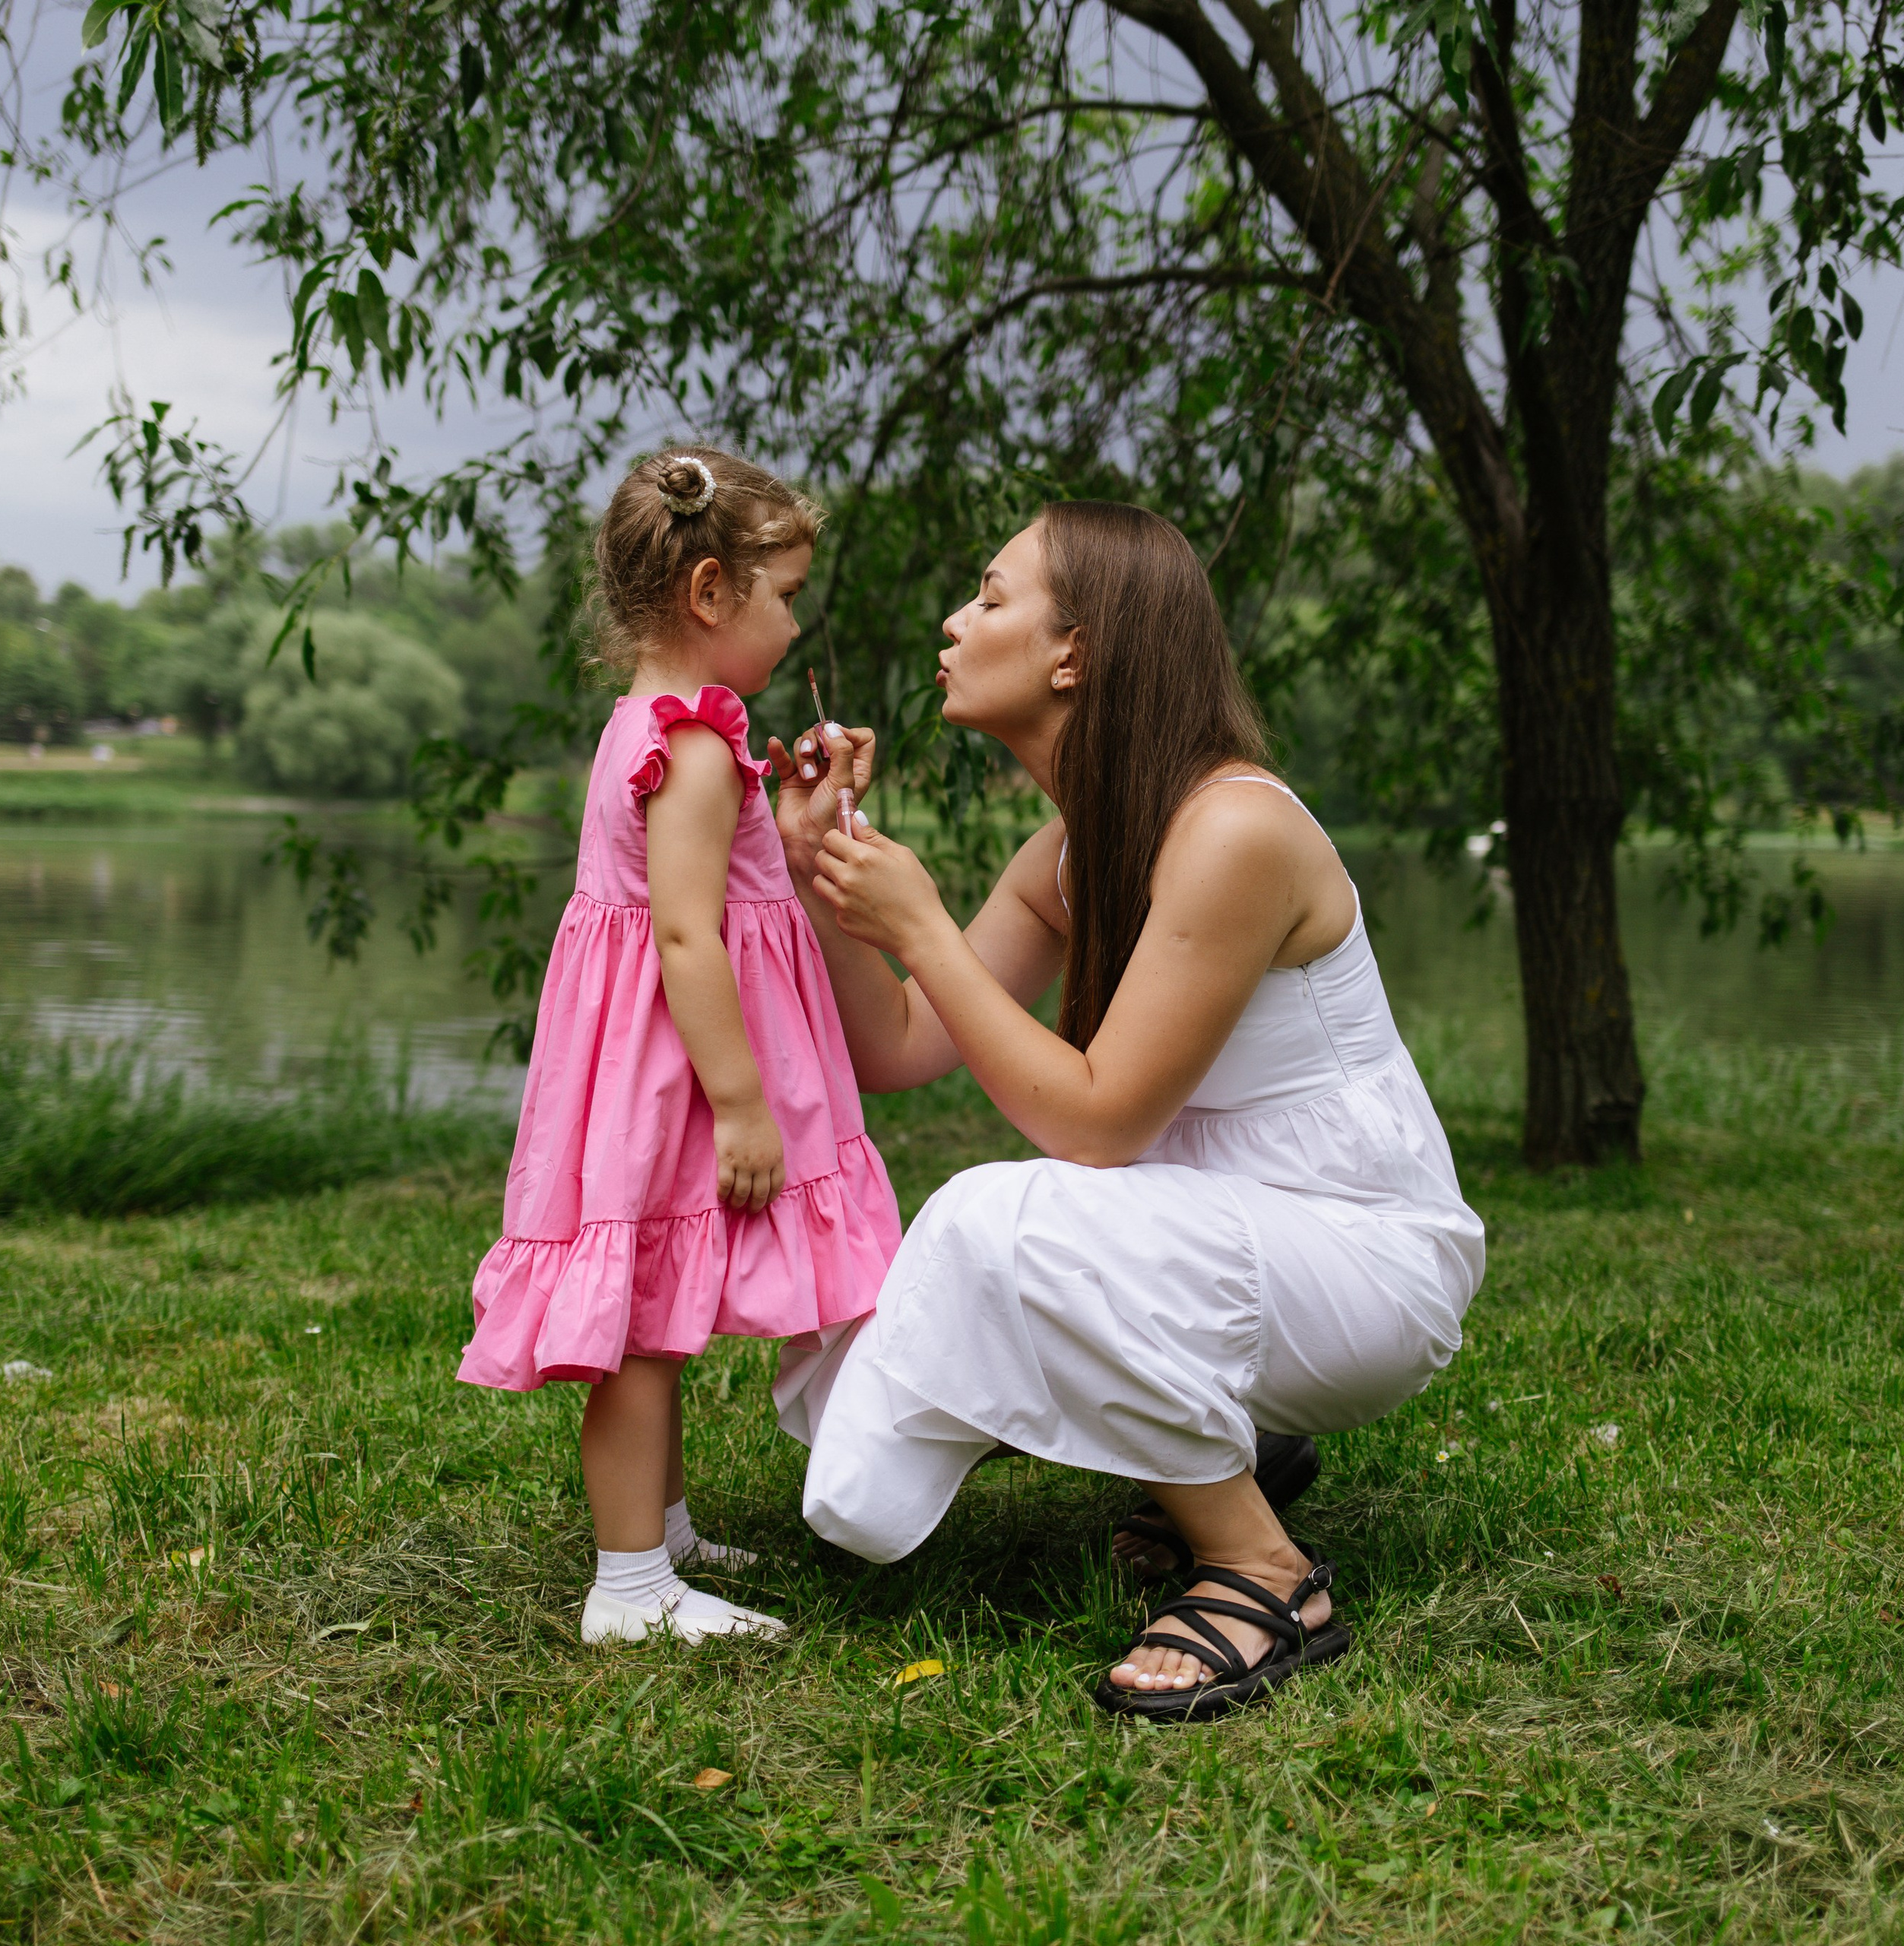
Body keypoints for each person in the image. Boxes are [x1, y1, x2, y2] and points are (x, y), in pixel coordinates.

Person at [769, 501, 1484, 1720]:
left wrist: (924, 927)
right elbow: (899, 1043)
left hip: (1362, 1265)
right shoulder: (1068, 851)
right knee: (863, 1371)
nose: (954, 621)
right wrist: (812, 873)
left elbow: (1098, 1128)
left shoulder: (1235, 829)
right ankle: (1230, 1435)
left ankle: (1263, 1569)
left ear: (1075, 654)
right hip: (1222, 1243)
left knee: (993, 1223)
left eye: (991, 597)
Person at [458, 447, 901, 1646]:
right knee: (641, 1337)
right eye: (786, 596)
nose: (795, 625)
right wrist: (744, 1103)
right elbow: (689, 936)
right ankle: (631, 1586)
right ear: (711, 593)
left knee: (656, 1300)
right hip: (676, 1071)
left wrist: (795, 811)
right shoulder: (694, 748)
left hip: (646, 1062)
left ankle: (663, 1528)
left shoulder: (661, 729)